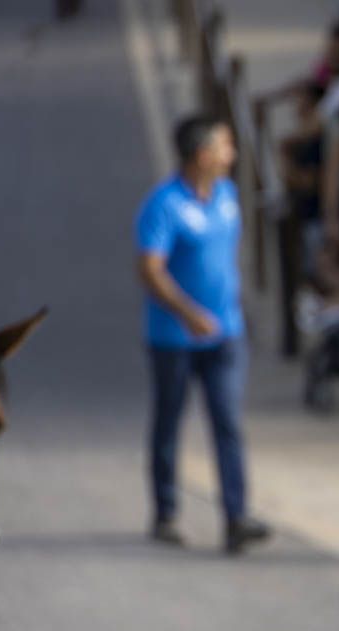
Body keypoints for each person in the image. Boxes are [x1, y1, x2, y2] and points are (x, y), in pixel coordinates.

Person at [134, 115, 270, 554]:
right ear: (202, 154)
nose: (232, 154)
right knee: (169, 421)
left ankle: (236, 517)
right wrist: (188, 313)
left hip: (226, 335)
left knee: (228, 422)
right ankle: (165, 512)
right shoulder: (163, 205)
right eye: (225, 146)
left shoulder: (227, 195)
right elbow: (149, 269)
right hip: (173, 339)